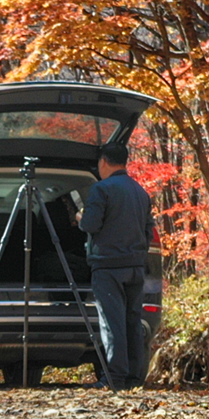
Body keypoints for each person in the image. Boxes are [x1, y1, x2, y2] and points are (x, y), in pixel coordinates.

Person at [77, 143, 153, 389]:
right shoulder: (140, 191)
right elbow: (148, 231)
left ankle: (115, 378)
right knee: (132, 321)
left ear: (103, 161)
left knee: (112, 322)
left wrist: (80, 218)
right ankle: (133, 377)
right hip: (135, 266)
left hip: (108, 265)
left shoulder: (102, 189)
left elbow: (90, 225)